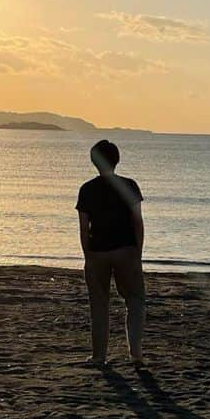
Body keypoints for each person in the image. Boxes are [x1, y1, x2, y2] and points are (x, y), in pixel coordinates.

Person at [76, 140, 146, 366]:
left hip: (97, 251)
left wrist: (87, 255)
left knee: (99, 303)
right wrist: (138, 252)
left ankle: (99, 356)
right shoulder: (129, 186)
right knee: (134, 299)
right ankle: (135, 353)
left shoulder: (87, 189)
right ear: (117, 160)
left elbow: (84, 227)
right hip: (126, 249)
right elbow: (137, 222)